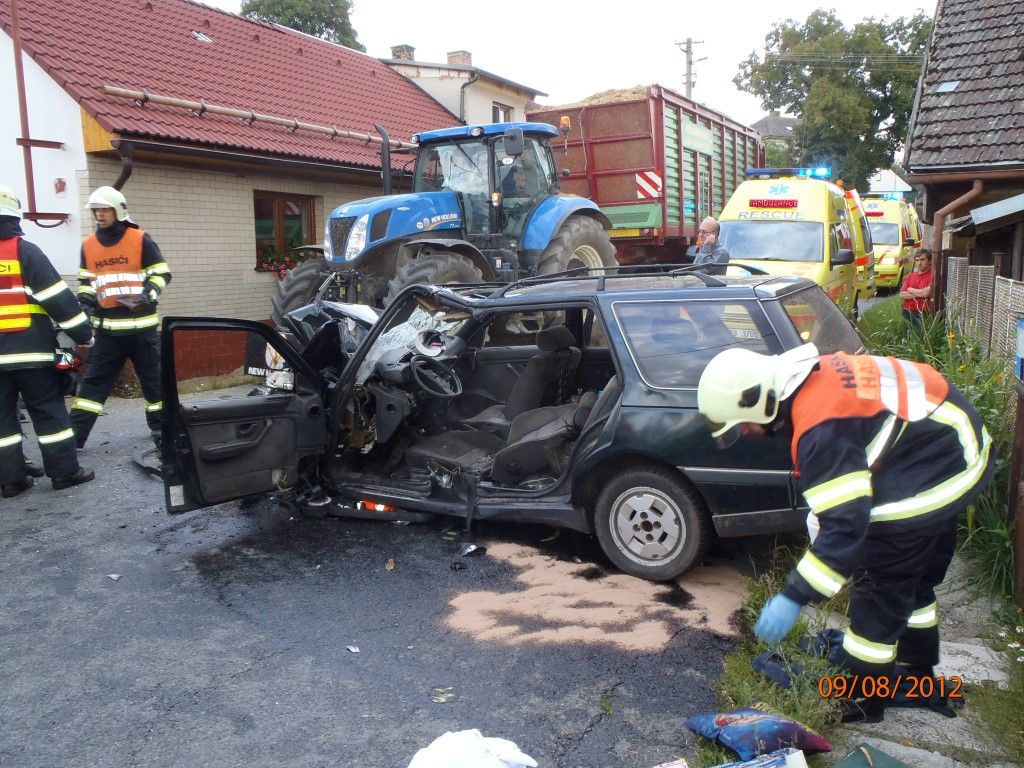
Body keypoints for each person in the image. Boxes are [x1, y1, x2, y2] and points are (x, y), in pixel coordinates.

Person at [697, 342, 994, 723]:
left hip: (935, 470)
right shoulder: (813, 378)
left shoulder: (820, 430)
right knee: (912, 581)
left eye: (742, 424)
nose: (748, 433)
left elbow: (844, 528)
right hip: (955, 451)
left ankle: (861, 701)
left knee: (878, 591)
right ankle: (916, 674)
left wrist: (794, 595)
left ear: (757, 401)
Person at [0, 184, 94, 496]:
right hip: (32, 354)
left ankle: (11, 480)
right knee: (48, 411)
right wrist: (84, 335)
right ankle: (64, 473)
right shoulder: (25, 252)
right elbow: (58, 300)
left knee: (1, 421)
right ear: (14, 217)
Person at [70, 186, 171, 449]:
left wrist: (149, 294)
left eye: (105, 210)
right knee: (92, 387)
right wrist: (85, 302)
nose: (100, 215)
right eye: (96, 210)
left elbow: (161, 273)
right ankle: (72, 439)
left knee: (155, 385)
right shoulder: (88, 245)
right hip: (108, 333)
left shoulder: (140, 239)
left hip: (142, 331)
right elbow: (87, 283)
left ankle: (162, 431)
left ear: (118, 211)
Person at [899, 248, 932, 327]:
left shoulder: (932, 275)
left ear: (929, 261)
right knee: (907, 334)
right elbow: (902, 294)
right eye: (917, 260)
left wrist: (910, 289)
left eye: (922, 260)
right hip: (907, 311)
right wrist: (920, 293)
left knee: (920, 334)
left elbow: (926, 293)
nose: (919, 263)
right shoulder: (911, 276)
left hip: (922, 313)